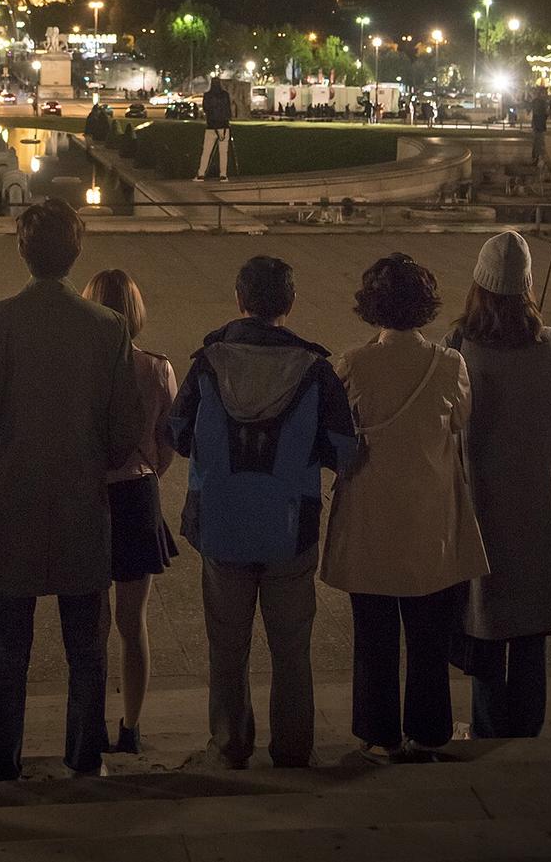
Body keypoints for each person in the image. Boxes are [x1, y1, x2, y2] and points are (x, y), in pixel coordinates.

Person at [0, 199, 143, 781]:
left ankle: (1, 760)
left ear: (22, 251)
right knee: (87, 647)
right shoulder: (107, 327)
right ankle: (85, 757)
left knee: (10, 648)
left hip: (10, 503)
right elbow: (125, 428)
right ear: (75, 252)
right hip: (81, 503)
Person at [170, 256, 356, 770]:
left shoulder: (209, 362)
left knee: (226, 648)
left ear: (239, 299)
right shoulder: (315, 369)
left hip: (222, 525)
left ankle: (229, 745)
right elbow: (345, 450)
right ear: (290, 304)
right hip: (290, 528)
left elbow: (177, 433)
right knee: (292, 647)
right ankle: (294, 749)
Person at [321, 253, 488, 762]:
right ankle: (429, 730)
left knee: (373, 636)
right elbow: (460, 422)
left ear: (371, 307)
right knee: (428, 637)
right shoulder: (449, 364)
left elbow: (338, 434)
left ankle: (378, 732)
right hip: (429, 518)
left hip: (370, 515)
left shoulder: (352, 364)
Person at [445, 232, 551, 738]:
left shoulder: (460, 346)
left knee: (487, 618)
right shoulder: (550, 345)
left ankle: (487, 723)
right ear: (527, 287)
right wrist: (541, 456)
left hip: (479, 500)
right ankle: (527, 725)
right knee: (530, 623)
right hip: (536, 504)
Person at [82, 269, 178, 754]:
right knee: (132, 621)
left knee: (91, 621)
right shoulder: (157, 368)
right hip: (138, 496)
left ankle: (89, 723)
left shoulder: (77, 369)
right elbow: (167, 446)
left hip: (90, 498)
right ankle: (131, 726)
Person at [195, 75, 232, 182]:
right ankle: (223, 175)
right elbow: (228, 110)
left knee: (206, 151)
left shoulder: (207, 95)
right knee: (223, 152)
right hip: (224, 127)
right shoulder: (225, 95)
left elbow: (206, 109)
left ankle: (201, 173)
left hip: (211, 127)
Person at [530, 85, 548, 166]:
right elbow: (541, 114)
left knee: (537, 143)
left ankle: (536, 158)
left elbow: (536, 113)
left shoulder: (536, 101)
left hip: (537, 125)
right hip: (539, 126)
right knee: (539, 143)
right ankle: (537, 158)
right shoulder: (541, 102)